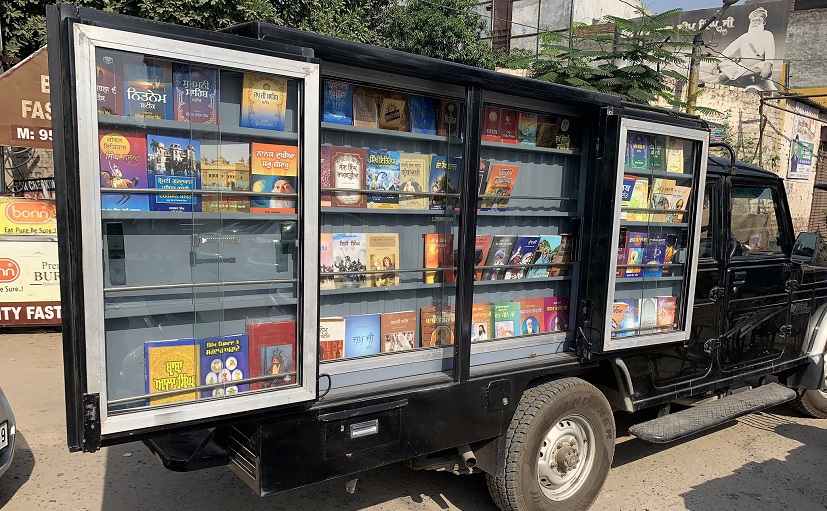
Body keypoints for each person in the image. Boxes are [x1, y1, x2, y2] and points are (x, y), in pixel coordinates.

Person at [712, 7, 777, 91]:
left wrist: (768, 64)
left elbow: (770, 51)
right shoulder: (744, 37)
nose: (754, 23)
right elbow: (729, 50)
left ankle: (741, 80)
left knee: (761, 71)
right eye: (753, 21)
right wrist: (716, 62)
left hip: (757, 67)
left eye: (758, 20)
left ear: (763, 22)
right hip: (742, 67)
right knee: (724, 65)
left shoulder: (767, 35)